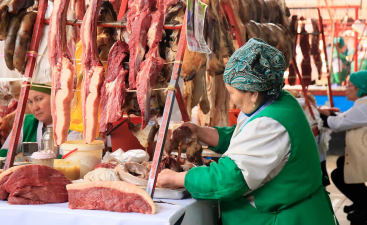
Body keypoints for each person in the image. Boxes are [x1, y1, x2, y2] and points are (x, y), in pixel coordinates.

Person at [157, 38, 336, 225]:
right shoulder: (277, 99)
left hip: (286, 218)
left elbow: (231, 179)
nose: (231, 100)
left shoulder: (270, 125)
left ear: (253, 93)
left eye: (232, 93)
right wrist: (200, 131)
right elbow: (243, 136)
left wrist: (179, 179)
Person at [319, 70, 367, 223]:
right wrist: (327, 114)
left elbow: (339, 123)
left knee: (338, 175)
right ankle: (360, 202)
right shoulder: (361, 104)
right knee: (341, 162)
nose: (346, 88)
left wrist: (320, 115)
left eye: (349, 85)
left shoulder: (363, 107)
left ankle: (365, 205)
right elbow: (345, 117)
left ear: (360, 87)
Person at [0, 83, 81, 157]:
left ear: (56, 99)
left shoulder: (74, 125)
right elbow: (4, 154)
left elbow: (68, 161)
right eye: (30, 102)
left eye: (39, 99)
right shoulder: (27, 121)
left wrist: (28, 158)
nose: (35, 108)